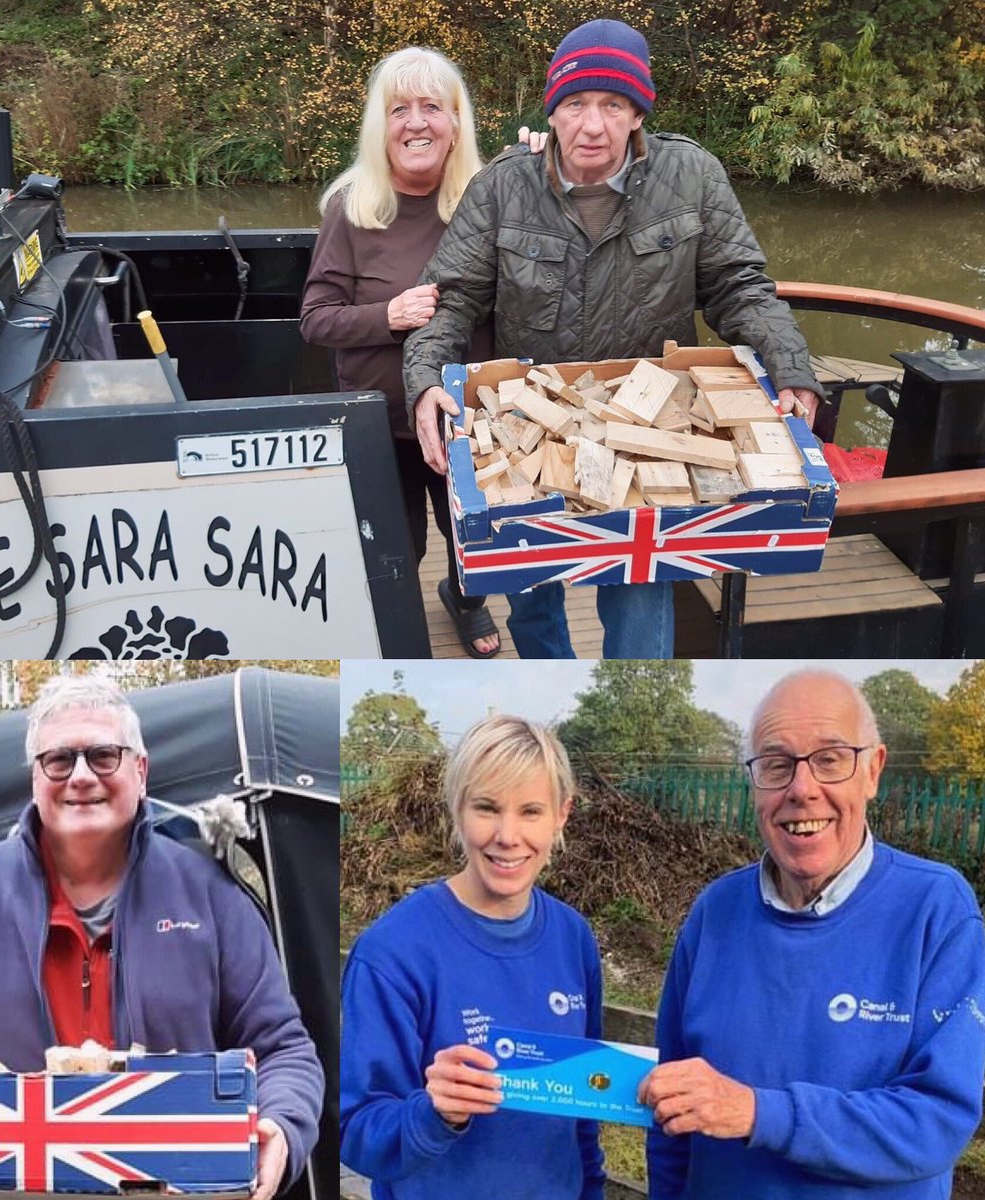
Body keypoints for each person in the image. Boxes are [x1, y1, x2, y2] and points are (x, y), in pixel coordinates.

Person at [403, 19, 824, 659]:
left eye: (612, 105)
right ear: (553, 110)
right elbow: (451, 298)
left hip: (653, 420)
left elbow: (739, 286)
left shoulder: (694, 176)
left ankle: (635, 711)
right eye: (574, 104)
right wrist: (427, 380)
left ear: (636, 114)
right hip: (530, 421)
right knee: (531, 583)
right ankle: (553, 688)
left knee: (643, 584)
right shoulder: (500, 186)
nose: (591, 126)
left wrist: (790, 366)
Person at [0, 674, 322, 1200]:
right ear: (35, 779)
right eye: (59, 760)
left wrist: (282, 1129)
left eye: (103, 755)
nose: (81, 776)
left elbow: (282, 1049)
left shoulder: (210, 892)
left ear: (141, 770)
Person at [638, 669, 985, 1198]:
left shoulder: (937, 911)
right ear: (754, 784)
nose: (802, 789)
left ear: (873, 771)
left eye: (830, 759)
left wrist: (758, 1112)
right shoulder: (715, 913)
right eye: (776, 765)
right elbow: (670, 1109)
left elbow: (935, 1121)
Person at [300, 47, 564, 659]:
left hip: (472, 419)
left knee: (471, 535)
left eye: (431, 107)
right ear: (380, 126)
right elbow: (315, 318)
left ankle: (465, 600)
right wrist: (386, 317)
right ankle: (397, 624)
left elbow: (561, 248)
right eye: (400, 110)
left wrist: (540, 172)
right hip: (379, 422)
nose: (416, 122)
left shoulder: (494, 195)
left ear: (455, 123)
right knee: (398, 545)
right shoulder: (351, 208)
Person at [340, 715, 605, 1198]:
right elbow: (355, 1131)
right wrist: (432, 1113)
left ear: (561, 815)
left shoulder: (574, 938)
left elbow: (584, 1115)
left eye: (531, 811)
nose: (507, 835)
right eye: (486, 808)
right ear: (457, 809)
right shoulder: (392, 953)